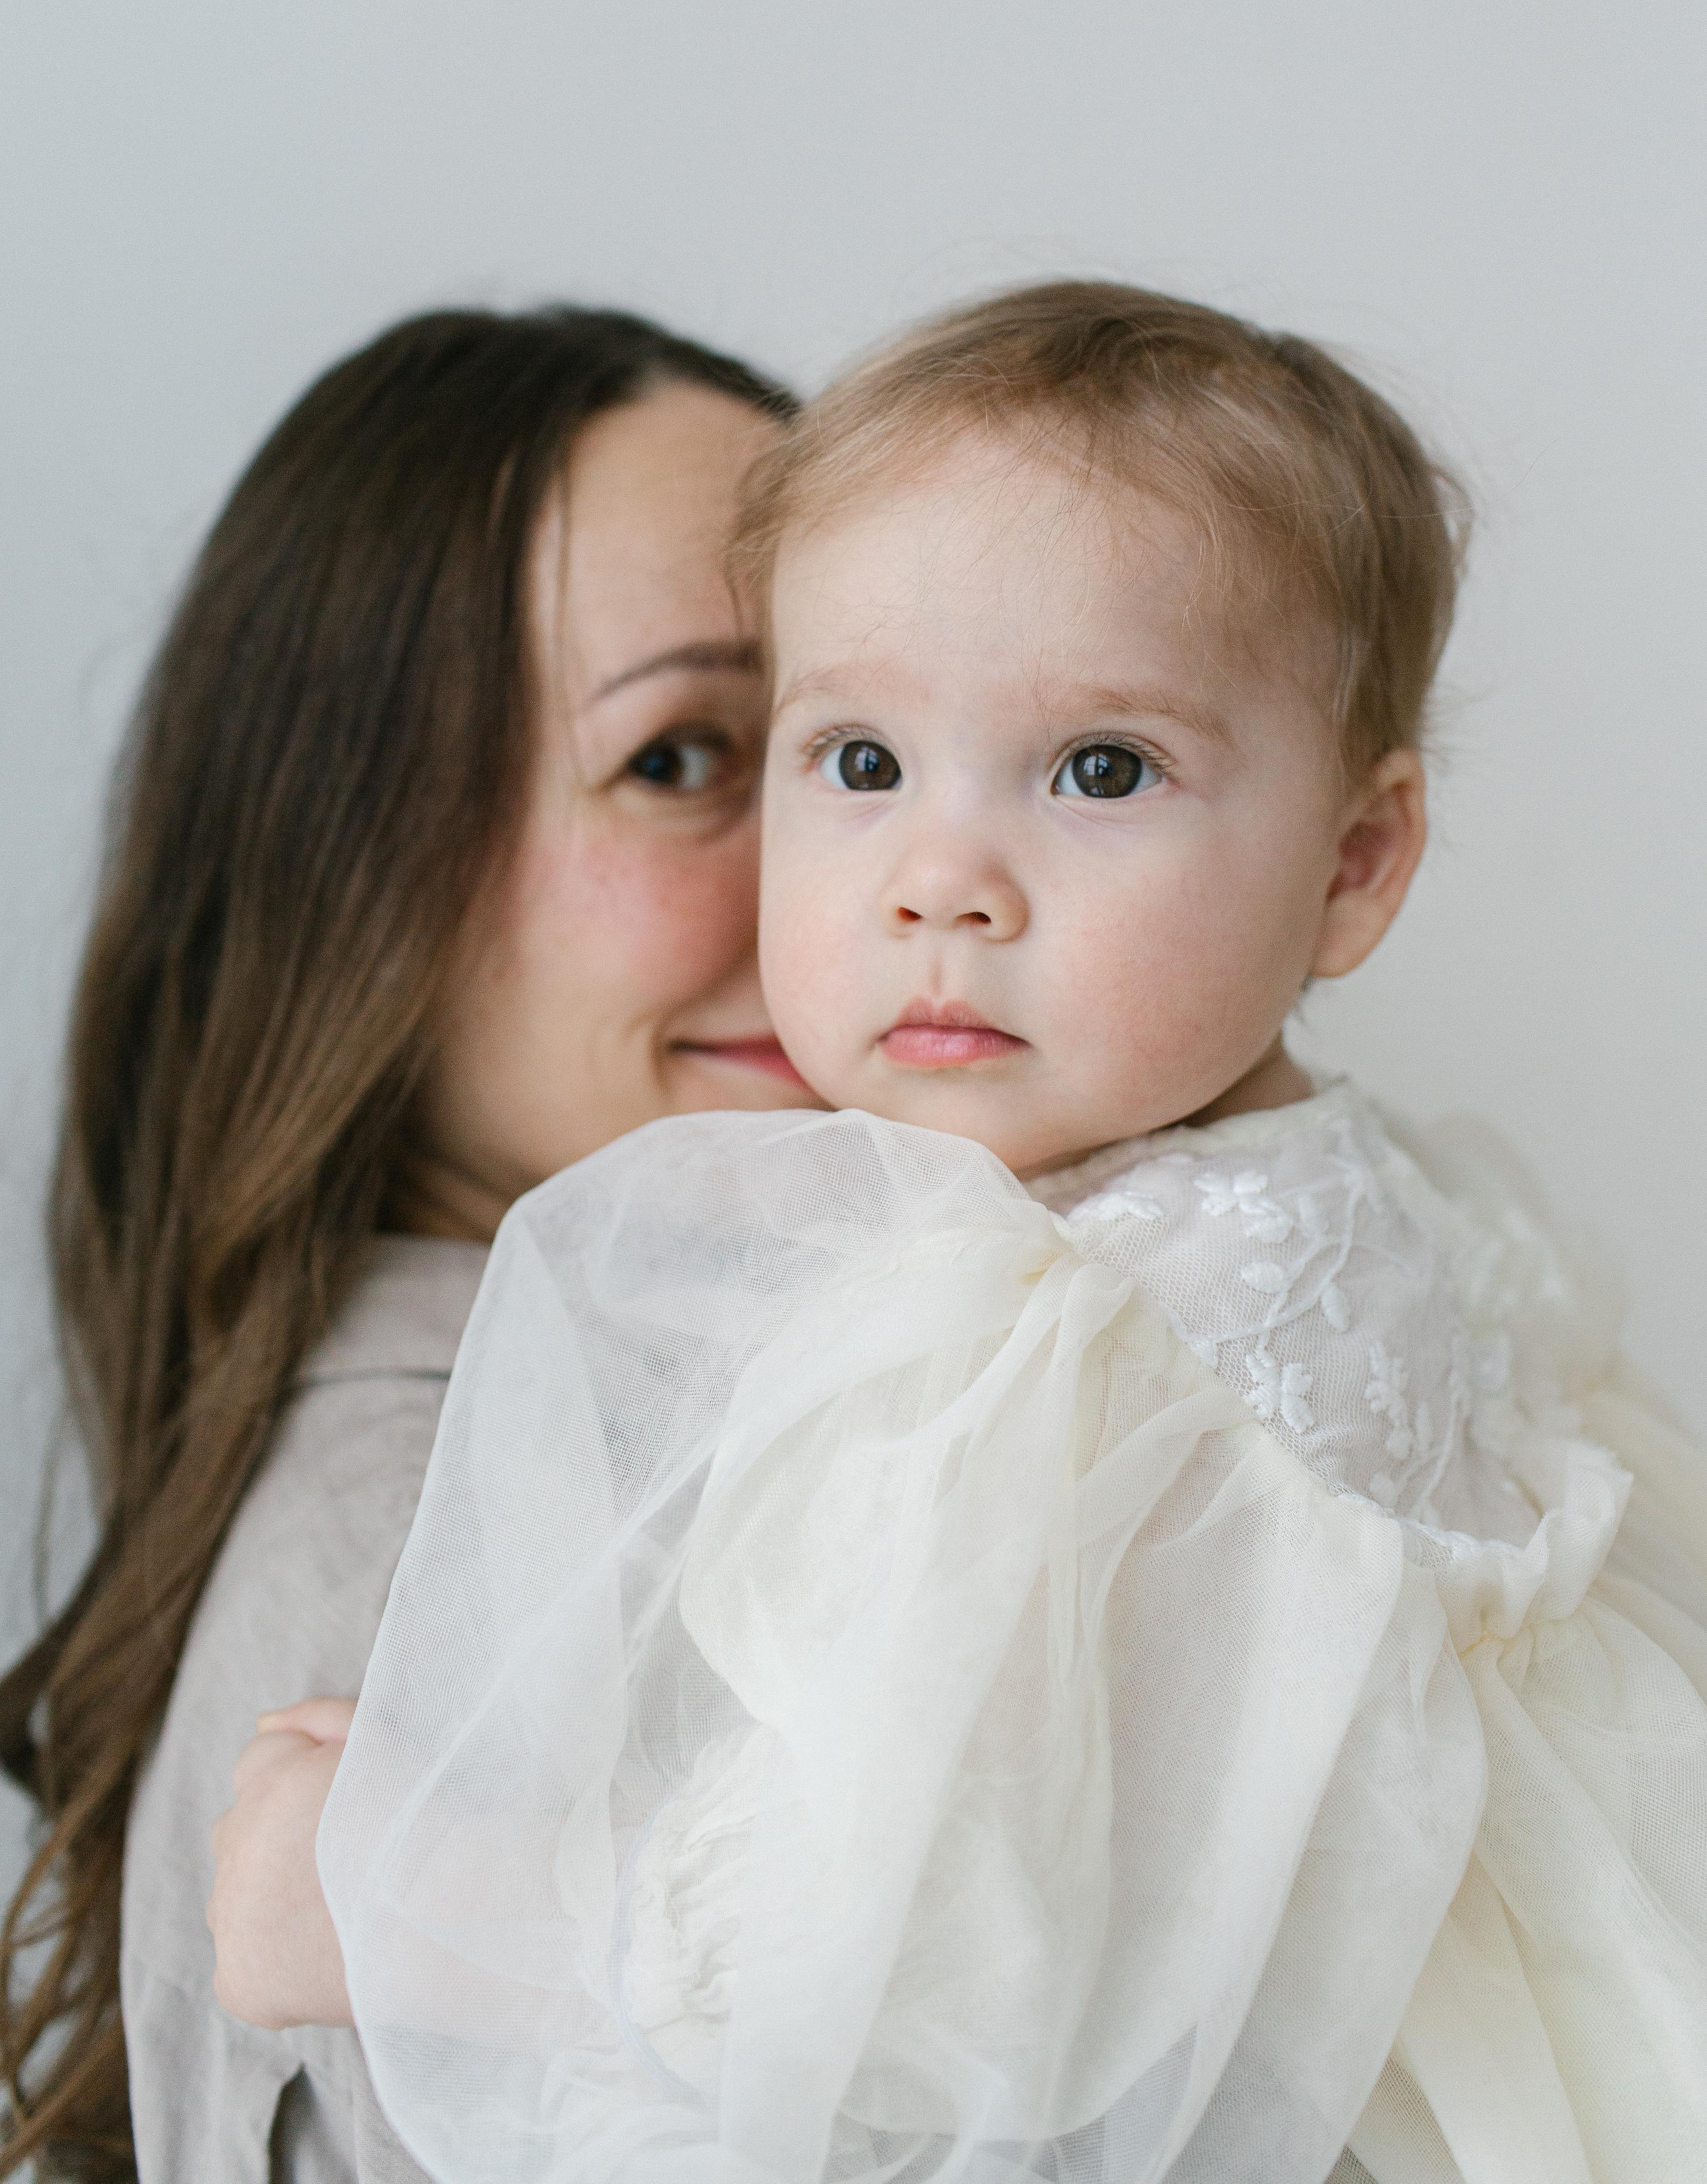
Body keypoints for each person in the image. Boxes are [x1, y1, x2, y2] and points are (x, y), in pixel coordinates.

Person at [220, 286, 1707, 2183]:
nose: (940, 884)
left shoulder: (1098, 1343)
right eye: (854, 763)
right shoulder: (1306, 1204)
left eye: (1099, 769)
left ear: (1357, 862)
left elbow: (957, 1959)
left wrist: (399, 1909)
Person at [0, 301, 821, 2183]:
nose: (873, 866)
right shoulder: (460, 1557)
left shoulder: (711, 1430)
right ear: (356, 871)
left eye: (860, 740)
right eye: (686, 754)